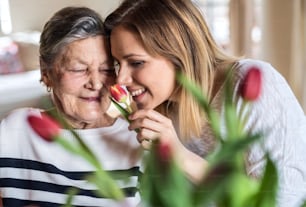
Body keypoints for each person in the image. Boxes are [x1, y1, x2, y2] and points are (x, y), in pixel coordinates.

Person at [104, 0, 306, 206]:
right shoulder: (160, 108)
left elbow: (282, 199)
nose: (121, 79)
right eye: (118, 64)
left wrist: (181, 156)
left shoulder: (249, 85)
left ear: (178, 53)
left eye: (136, 63)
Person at [0, 6, 143, 207]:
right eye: (79, 69)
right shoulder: (14, 131)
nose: (95, 83)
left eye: (106, 69)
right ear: (46, 72)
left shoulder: (135, 139)